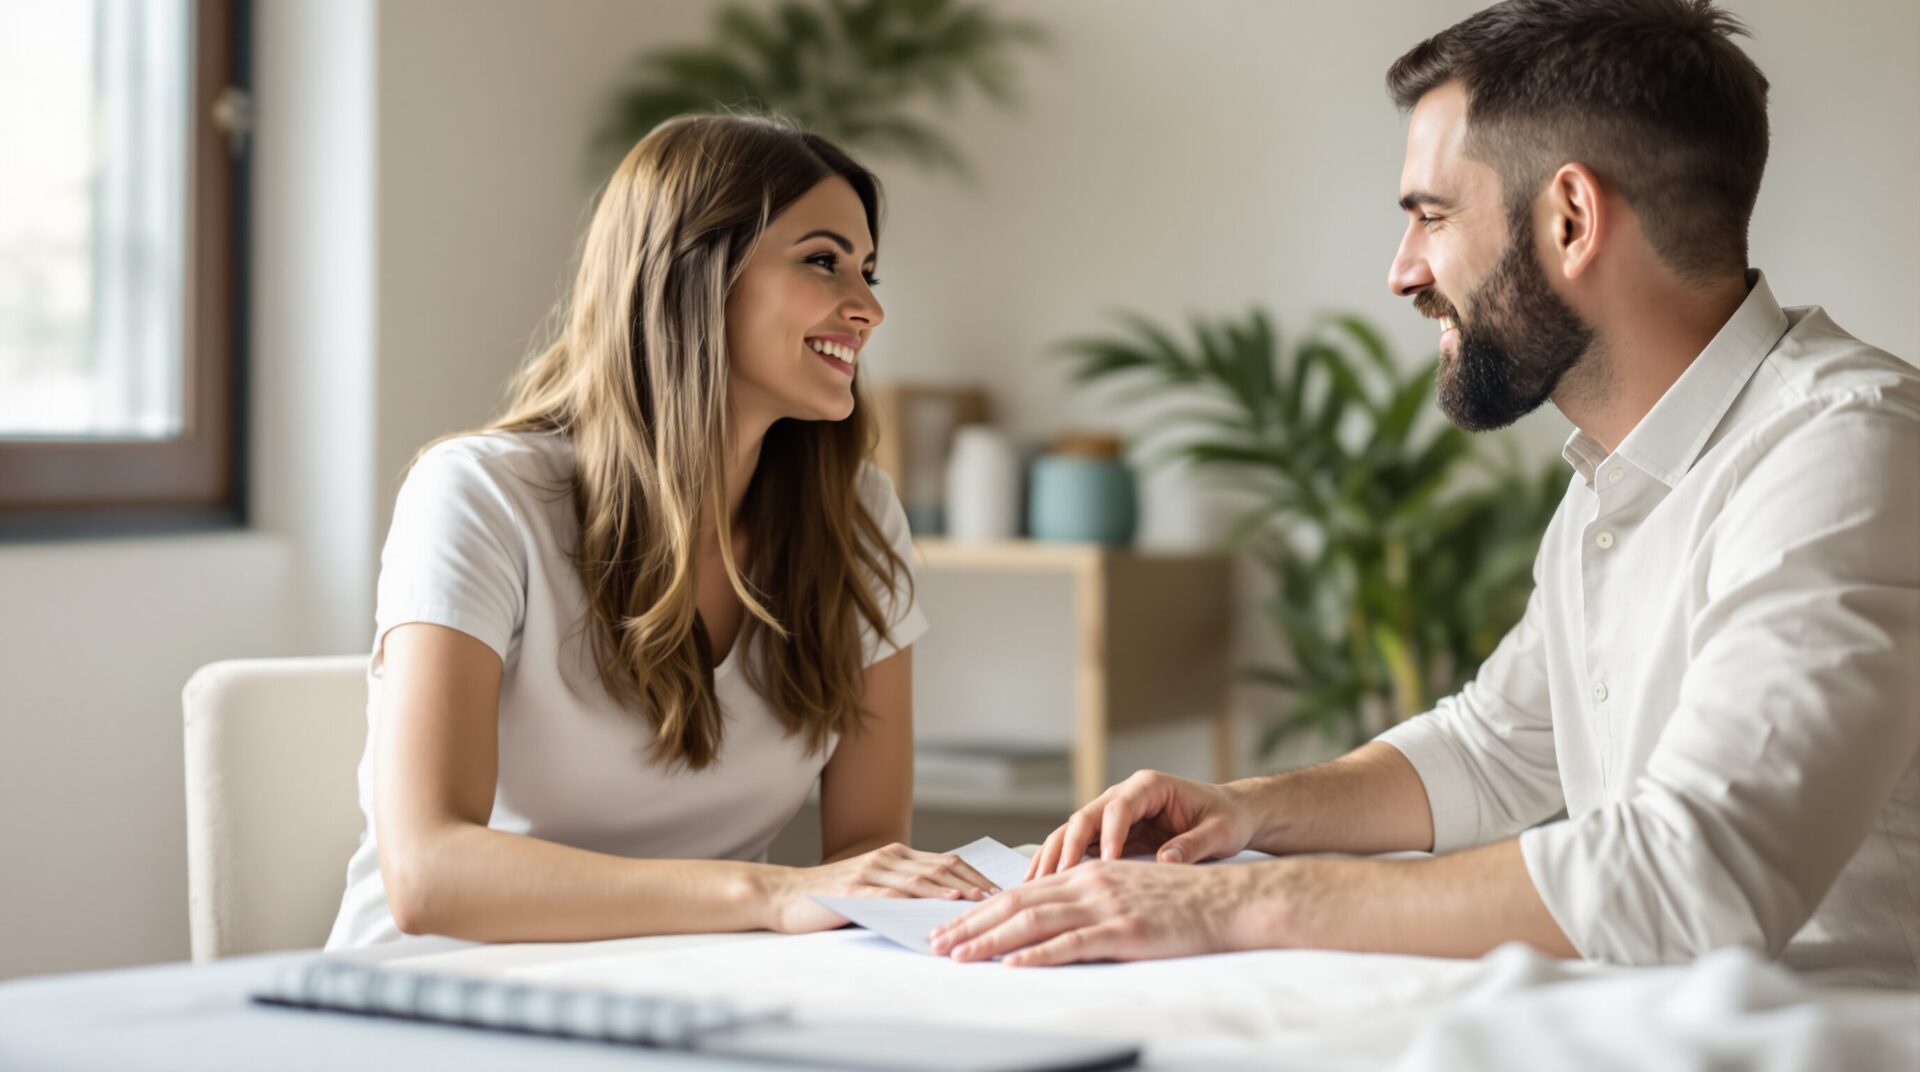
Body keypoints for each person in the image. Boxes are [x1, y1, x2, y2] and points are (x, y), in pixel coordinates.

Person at [929, 0, 1920, 988]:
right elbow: (1491, 751)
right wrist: (1243, 810)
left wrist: (1236, 902)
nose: (1402, 272)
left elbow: (1700, 873)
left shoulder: (1846, 451)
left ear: (1570, 220)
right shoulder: (1614, 489)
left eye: (1431, 215)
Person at [327, 115, 999, 950]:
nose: (867, 309)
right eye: (823, 263)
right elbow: (432, 875)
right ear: (694, 275)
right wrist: (771, 892)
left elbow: (865, 856)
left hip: (693, 995)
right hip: (443, 995)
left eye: (867, 271)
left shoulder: (856, 516)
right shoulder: (479, 497)